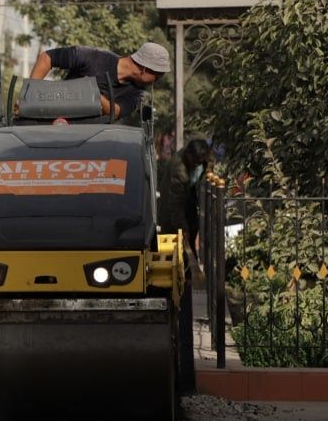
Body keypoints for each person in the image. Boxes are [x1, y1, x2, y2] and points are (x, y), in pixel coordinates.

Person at [159, 137, 213, 395]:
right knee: (179, 258)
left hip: (189, 208)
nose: (202, 165)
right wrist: (184, 235)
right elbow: (175, 206)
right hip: (172, 218)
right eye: (199, 163)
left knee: (189, 254)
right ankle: (181, 286)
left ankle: (189, 277)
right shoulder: (178, 170)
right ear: (191, 159)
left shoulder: (201, 162)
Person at [29, 42, 171, 120]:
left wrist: (90, 90)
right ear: (146, 69)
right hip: (49, 119)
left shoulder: (136, 93)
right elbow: (46, 58)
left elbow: (114, 112)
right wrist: (29, 96)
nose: (154, 83)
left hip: (89, 139)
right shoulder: (93, 57)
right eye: (157, 77)